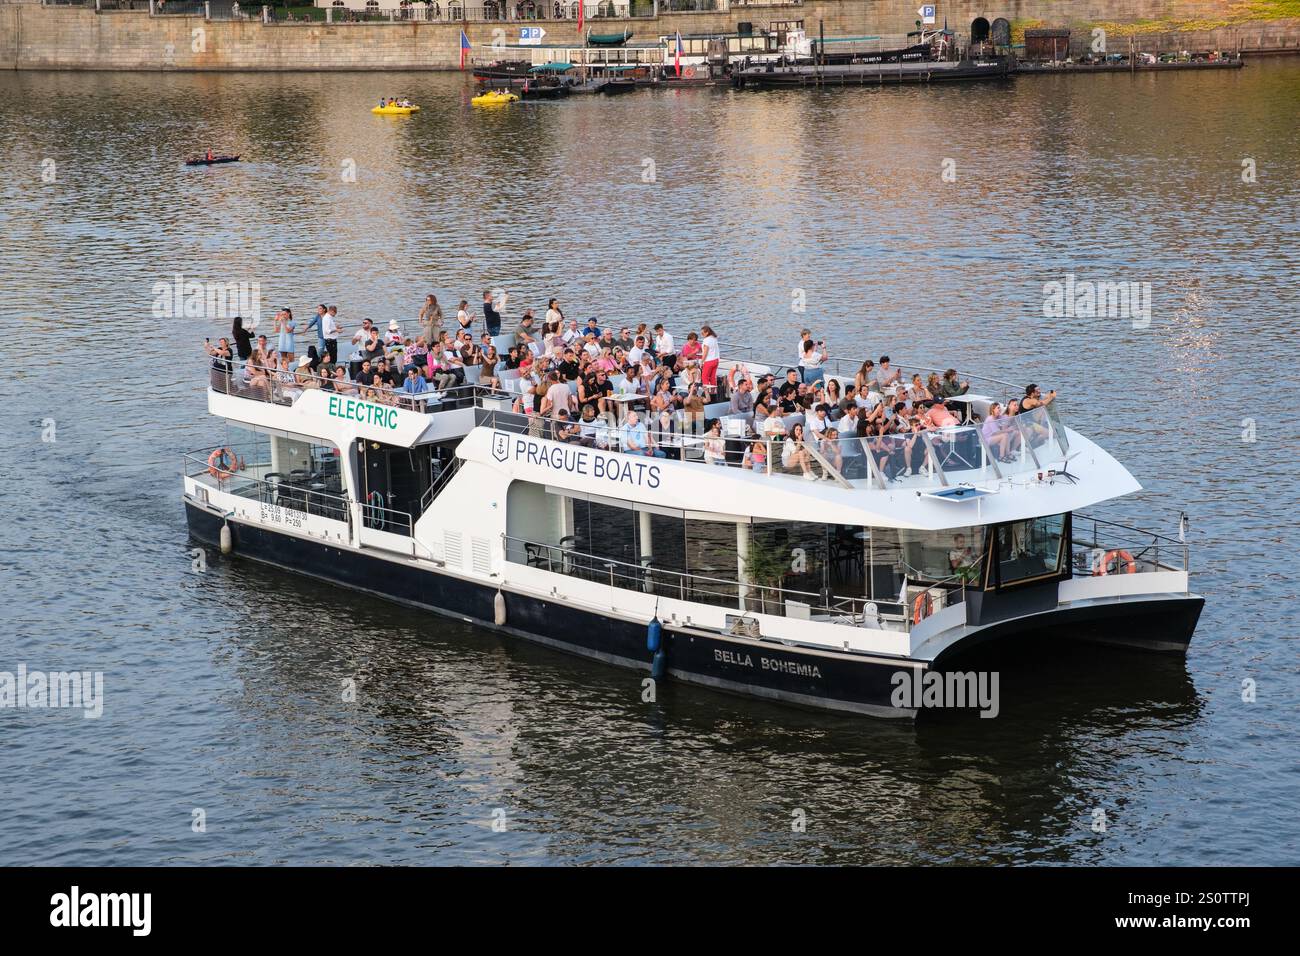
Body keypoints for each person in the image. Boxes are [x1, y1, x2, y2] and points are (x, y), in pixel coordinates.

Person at [700, 324, 720, 395]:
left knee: (704, 377)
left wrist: (701, 362)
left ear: (707, 332)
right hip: (716, 360)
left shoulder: (706, 340)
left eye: (703, 333)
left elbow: (705, 353)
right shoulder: (714, 338)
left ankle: (707, 393)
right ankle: (713, 392)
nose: (702, 335)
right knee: (712, 377)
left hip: (709, 361)